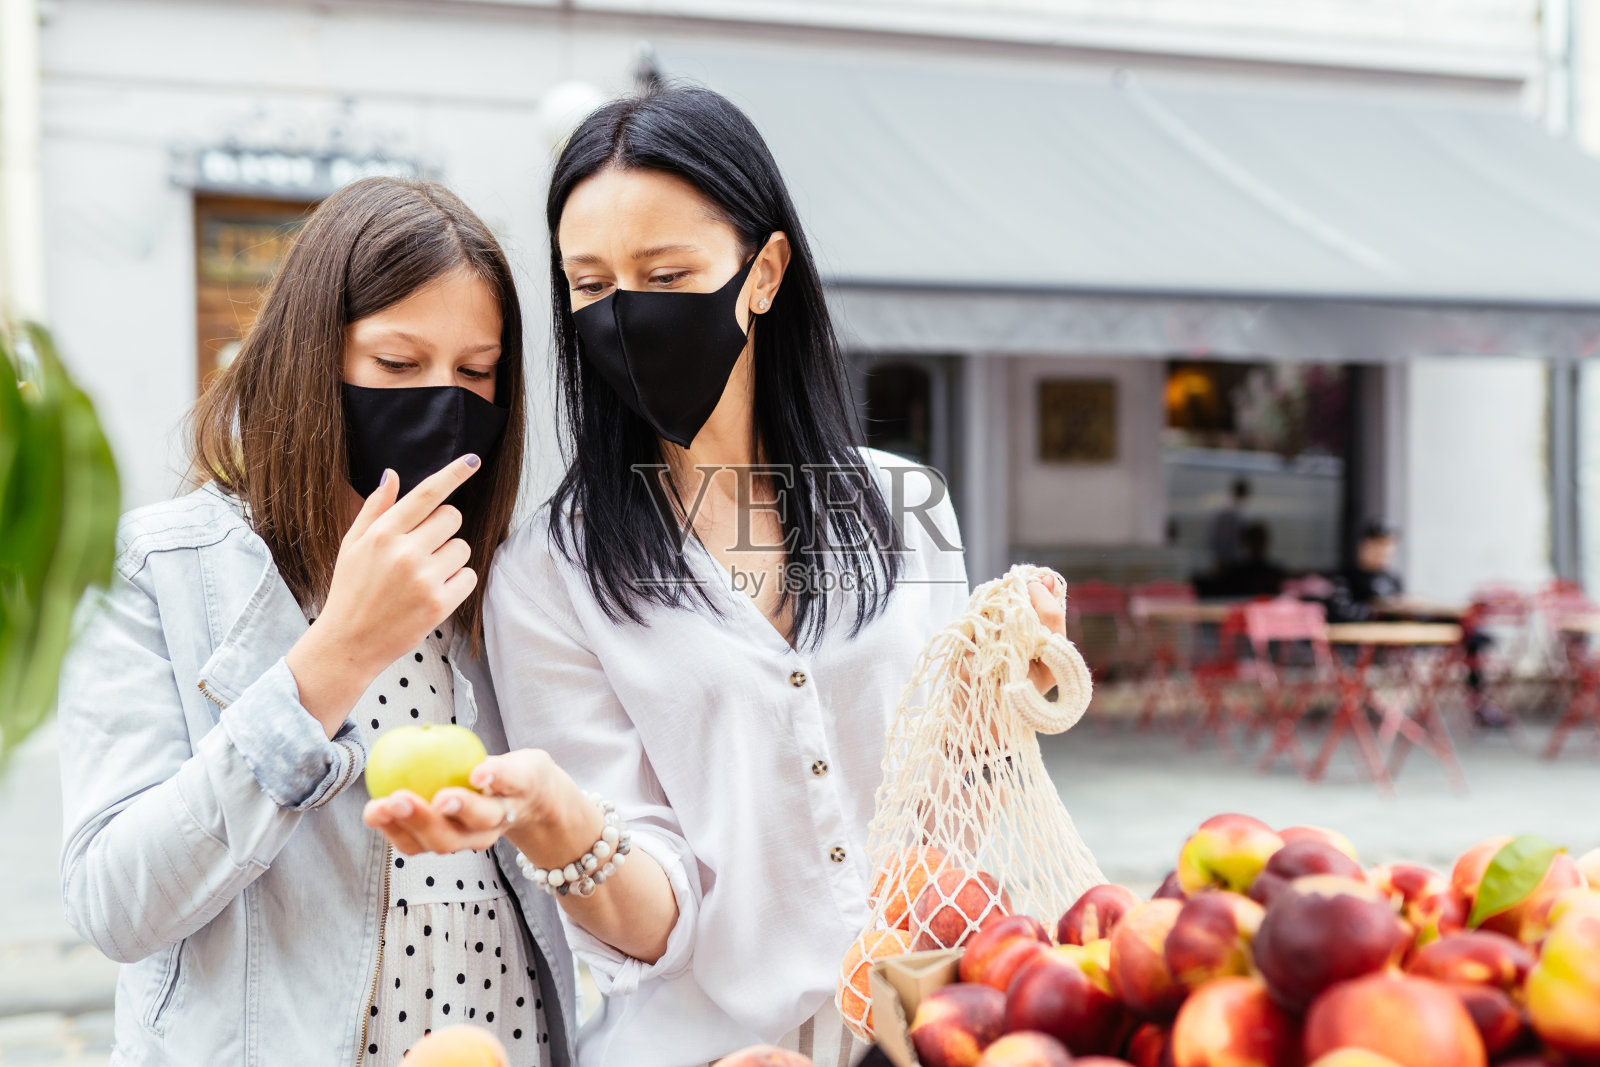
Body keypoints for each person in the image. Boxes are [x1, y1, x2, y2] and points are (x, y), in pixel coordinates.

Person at [362, 86, 1076, 1067]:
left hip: (926, 1032)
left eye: (665, 272)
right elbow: (645, 919)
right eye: (589, 283)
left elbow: (947, 802)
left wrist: (1014, 690)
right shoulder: (548, 574)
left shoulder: (906, 508)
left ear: (764, 270)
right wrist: (560, 823)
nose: (625, 314)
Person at [56, 178, 575, 1066]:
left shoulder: (504, 579)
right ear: (310, 356)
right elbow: (115, 902)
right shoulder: (162, 567)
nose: (444, 401)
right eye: (398, 365)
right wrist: (335, 656)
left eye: (477, 372)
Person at [1324, 520, 1403, 623]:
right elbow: (1340, 613)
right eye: (1376, 544)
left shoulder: (1393, 579)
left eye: (1387, 545)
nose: (1383, 550)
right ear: (1362, 546)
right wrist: (1377, 609)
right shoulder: (1344, 578)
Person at [1208, 477, 1251, 573]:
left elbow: (1215, 537)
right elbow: (1226, 539)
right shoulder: (1233, 512)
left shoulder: (1227, 510)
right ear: (1245, 493)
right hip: (1229, 561)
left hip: (1226, 559)